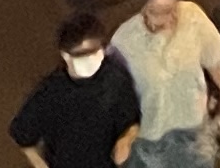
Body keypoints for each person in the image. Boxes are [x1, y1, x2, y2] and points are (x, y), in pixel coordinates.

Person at [105, 0, 220, 168]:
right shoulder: (124, 41)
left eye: (171, 10)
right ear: (143, 8)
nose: (166, 19)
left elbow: (216, 67)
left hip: (196, 133)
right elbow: (110, 95)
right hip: (151, 142)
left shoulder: (193, 17)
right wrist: (125, 136)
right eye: (155, 12)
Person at [9, 17, 138, 168]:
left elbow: (132, 120)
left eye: (96, 53)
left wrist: (127, 139)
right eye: (83, 56)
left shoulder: (116, 79)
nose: (91, 61)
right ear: (65, 55)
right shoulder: (51, 93)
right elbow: (23, 137)